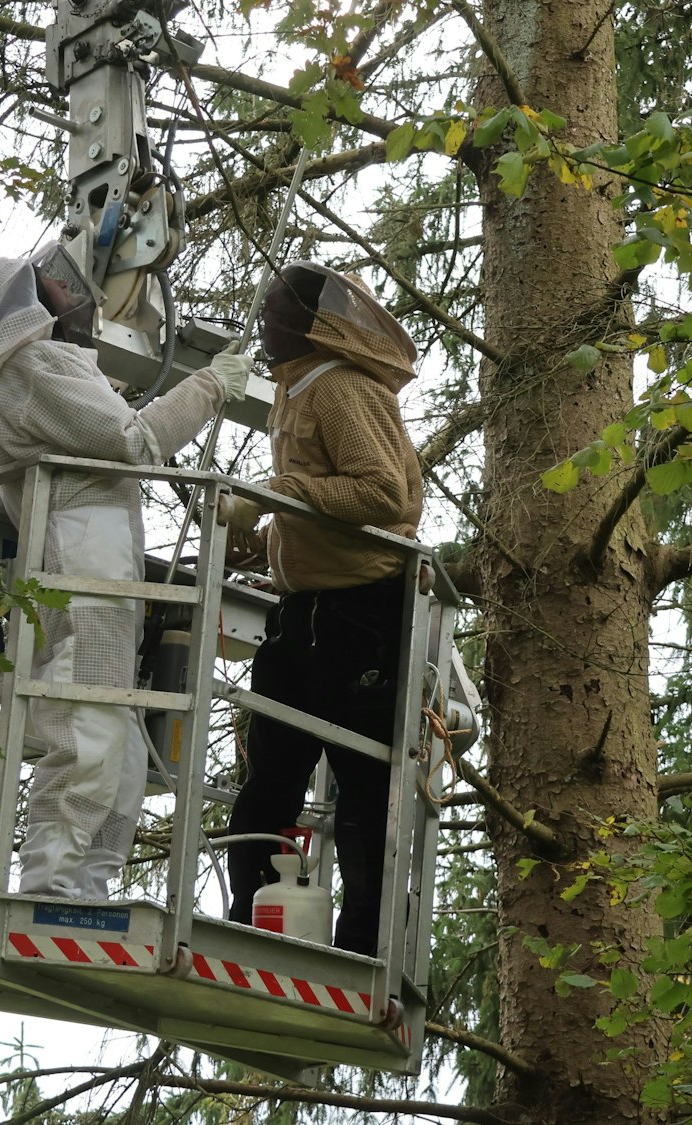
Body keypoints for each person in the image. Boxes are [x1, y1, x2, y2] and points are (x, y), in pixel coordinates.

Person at [0, 251, 253, 899]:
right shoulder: (31, 369)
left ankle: (88, 884)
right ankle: (50, 884)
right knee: (87, 727)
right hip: (81, 566)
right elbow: (134, 442)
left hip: (98, 567)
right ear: (25, 299)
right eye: (50, 280)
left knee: (125, 752)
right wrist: (209, 385)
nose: (68, 285)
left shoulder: (44, 369)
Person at [221, 260, 422, 955]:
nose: (262, 322)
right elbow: (322, 500)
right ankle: (248, 922)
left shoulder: (339, 387)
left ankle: (361, 947)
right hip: (302, 614)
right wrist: (266, 540)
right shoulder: (297, 389)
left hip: (359, 615)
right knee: (268, 775)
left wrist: (285, 491)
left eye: (275, 311)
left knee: (364, 790)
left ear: (312, 324)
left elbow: (382, 496)